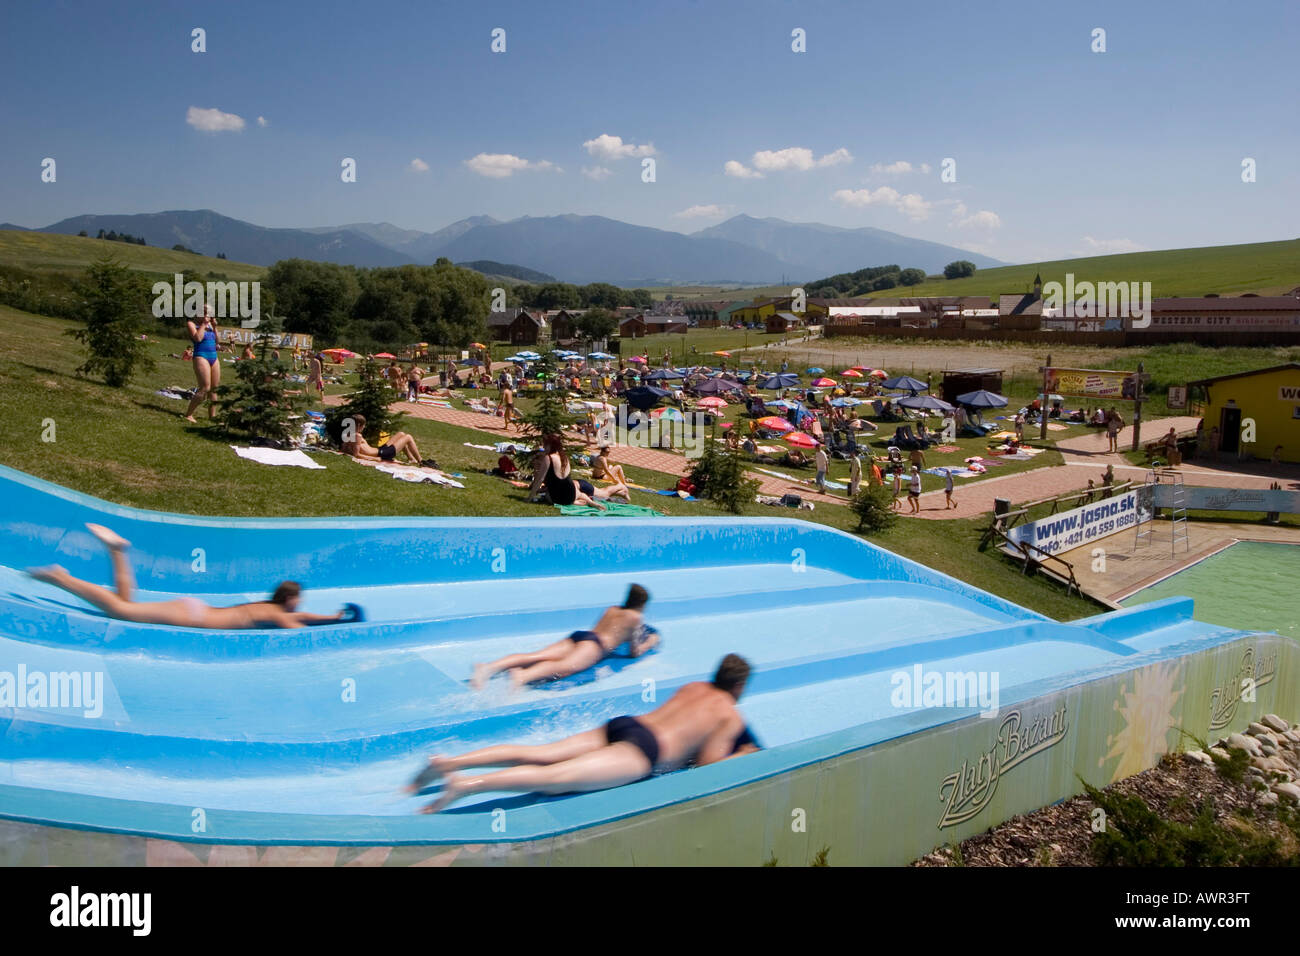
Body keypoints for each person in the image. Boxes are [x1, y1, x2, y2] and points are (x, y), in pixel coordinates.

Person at [415, 654, 758, 812]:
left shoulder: (694, 686)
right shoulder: (728, 714)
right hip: (643, 752)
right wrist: (741, 755)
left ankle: (449, 763)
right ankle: (465, 785)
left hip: (626, 725)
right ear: (740, 685)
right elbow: (709, 766)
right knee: (553, 778)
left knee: (538, 753)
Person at [27, 523, 352, 630]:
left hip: (195, 610)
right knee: (122, 611)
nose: (300, 607)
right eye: (299, 602)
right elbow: (298, 626)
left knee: (127, 604)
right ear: (290, 600)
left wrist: (333, 617)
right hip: (191, 615)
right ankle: (62, 578)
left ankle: (117, 551)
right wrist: (336, 628)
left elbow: (303, 616)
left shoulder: (270, 606)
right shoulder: (278, 616)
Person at [470, 584, 655, 690]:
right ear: (642, 604)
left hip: (582, 636)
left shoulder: (613, 609)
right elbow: (634, 652)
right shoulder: (636, 617)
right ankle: (523, 675)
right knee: (565, 667)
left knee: (537, 655)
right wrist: (650, 642)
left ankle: (488, 668)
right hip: (596, 645)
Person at [540, 434, 607, 510]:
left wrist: (530, 497)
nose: (543, 447)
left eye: (545, 445)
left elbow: (541, 479)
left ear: (550, 446)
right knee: (580, 493)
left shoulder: (549, 458)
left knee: (547, 496)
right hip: (571, 493)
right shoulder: (564, 457)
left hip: (560, 497)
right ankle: (589, 502)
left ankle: (576, 502)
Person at [340, 413, 426, 466]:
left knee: (401, 434)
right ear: (359, 425)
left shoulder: (348, 434)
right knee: (408, 437)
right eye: (363, 426)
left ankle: (411, 459)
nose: (364, 427)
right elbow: (357, 454)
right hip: (383, 454)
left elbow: (344, 449)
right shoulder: (357, 436)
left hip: (380, 450)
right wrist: (375, 459)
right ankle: (420, 461)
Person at [183, 304, 221, 422]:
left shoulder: (210, 324)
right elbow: (197, 338)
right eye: (203, 312)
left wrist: (214, 327)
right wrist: (204, 324)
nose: (206, 315)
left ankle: (212, 416)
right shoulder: (192, 324)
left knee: (214, 389)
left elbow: (218, 342)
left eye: (207, 312)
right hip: (201, 356)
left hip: (214, 357)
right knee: (205, 388)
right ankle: (189, 414)